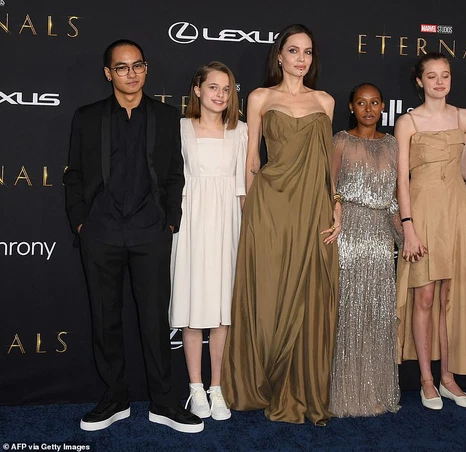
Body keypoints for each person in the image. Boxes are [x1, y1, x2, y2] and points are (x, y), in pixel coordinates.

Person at [64, 39, 203, 433]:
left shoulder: (166, 116)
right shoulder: (87, 117)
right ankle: (115, 398)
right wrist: (82, 224)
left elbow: (175, 174)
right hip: (101, 232)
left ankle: (163, 402)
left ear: (146, 69)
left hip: (150, 232)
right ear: (108, 73)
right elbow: (74, 175)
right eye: (122, 67)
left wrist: (170, 222)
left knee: (156, 322)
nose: (131, 73)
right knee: (105, 320)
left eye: (137, 65)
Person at [221, 24, 339, 426]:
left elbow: (327, 165)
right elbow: (253, 160)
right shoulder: (260, 97)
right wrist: (248, 210)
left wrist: (336, 204)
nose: (301, 59)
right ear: (279, 56)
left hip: (312, 209)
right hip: (270, 206)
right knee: (268, 294)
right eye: (293, 51)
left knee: (308, 295)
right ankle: (260, 383)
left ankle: (301, 388)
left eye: (308, 52)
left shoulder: (325, 101)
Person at [395, 52, 466, 410]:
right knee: (425, 297)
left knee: (451, 297)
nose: (439, 82)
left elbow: (465, 172)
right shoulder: (408, 122)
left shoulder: (464, 118)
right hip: (422, 213)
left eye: (444, 75)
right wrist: (408, 227)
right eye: (431, 76)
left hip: (457, 213)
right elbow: (402, 180)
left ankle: (448, 379)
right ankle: (426, 380)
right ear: (420, 81)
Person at [169, 62, 247, 421]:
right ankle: (195, 387)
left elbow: (243, 188)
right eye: (213, 87)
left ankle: (217, 388)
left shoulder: (241, 131)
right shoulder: (181, 128)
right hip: (191, 223)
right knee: (191, 304)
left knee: (221, 309)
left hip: (227, 223)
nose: (220, 94)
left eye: (226, 89)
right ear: (197, 90)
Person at [329, 83, 400, 417]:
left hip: (381, 238)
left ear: (383, 106)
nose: (368, 109)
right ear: (351, 106)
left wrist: (405, 236)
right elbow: (328, 186)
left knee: (376, 314)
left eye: (374, 102)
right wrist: (336, 214)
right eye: (361, 103)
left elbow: (396, 197)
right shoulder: (340, 141)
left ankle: (374, 391)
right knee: (347, 314)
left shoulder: (393, 144)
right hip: (347, 235)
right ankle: (342, 393)